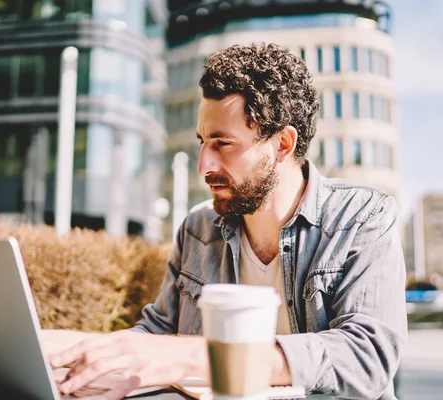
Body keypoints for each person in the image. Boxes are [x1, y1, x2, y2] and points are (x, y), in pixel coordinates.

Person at [42, 42, 407, 400]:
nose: (204, 166)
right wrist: (73, 353)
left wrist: (197, 356)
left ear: (282, 144)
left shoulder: (363, 218)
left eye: (222, 144)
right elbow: (156, 335)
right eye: (202, 142)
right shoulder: (197, 229)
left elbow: (367, 357)